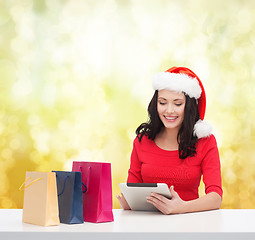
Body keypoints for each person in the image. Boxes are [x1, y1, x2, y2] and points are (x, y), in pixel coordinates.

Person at [117, 66, 223, 215]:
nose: (169, 110)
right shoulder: (142, 141)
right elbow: (133, 189)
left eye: (178, 103)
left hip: (188, 224)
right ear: (156, 104)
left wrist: (180, 208)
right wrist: (129, 203)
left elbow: (215, 198)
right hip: (146, 225)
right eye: (162, 102)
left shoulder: (205, 142)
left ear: (189, 106)